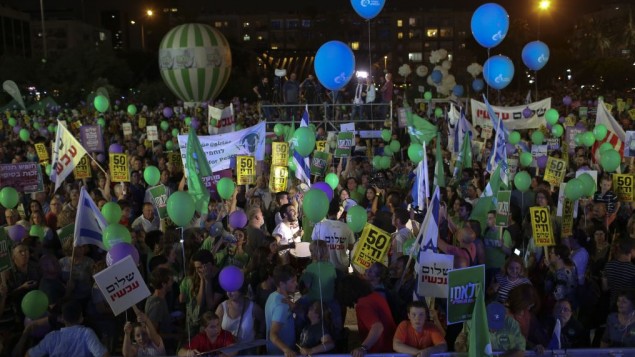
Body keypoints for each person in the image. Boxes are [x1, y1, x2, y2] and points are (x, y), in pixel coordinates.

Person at [338, 274, 396, 356]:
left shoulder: (363, 304)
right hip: (389, 348)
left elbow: (378, 327)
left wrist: (363, 348)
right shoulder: (374, 296)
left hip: (380, 351)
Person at [26, 301, 109, 357]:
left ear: (62, 319)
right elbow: (103, 355)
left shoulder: (51, 337)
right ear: (81, 318)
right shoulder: (87, 334)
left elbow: (29, 355)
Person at [455, 302, 525, 356]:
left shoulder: (512, 325)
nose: (494, 328)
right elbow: (459, 344)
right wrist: (462, 350)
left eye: (498, 324)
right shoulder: (472, 323)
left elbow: (520, 349)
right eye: (491, 324)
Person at [311, 199, 355, 274]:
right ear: (338, 211)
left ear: (326, 211)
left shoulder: (319, 226)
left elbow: (313, 245)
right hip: (342, 267)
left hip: (324, 267)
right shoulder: (347, 227)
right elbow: (351, 247)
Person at [265, 264, 298, 356]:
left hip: (272, 351)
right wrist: (287, 350)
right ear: (281, 284)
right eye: (293, 281)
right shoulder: (282, 306)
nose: (296, 283)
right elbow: (273, 334)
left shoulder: (272, 295)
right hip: (280, 353)